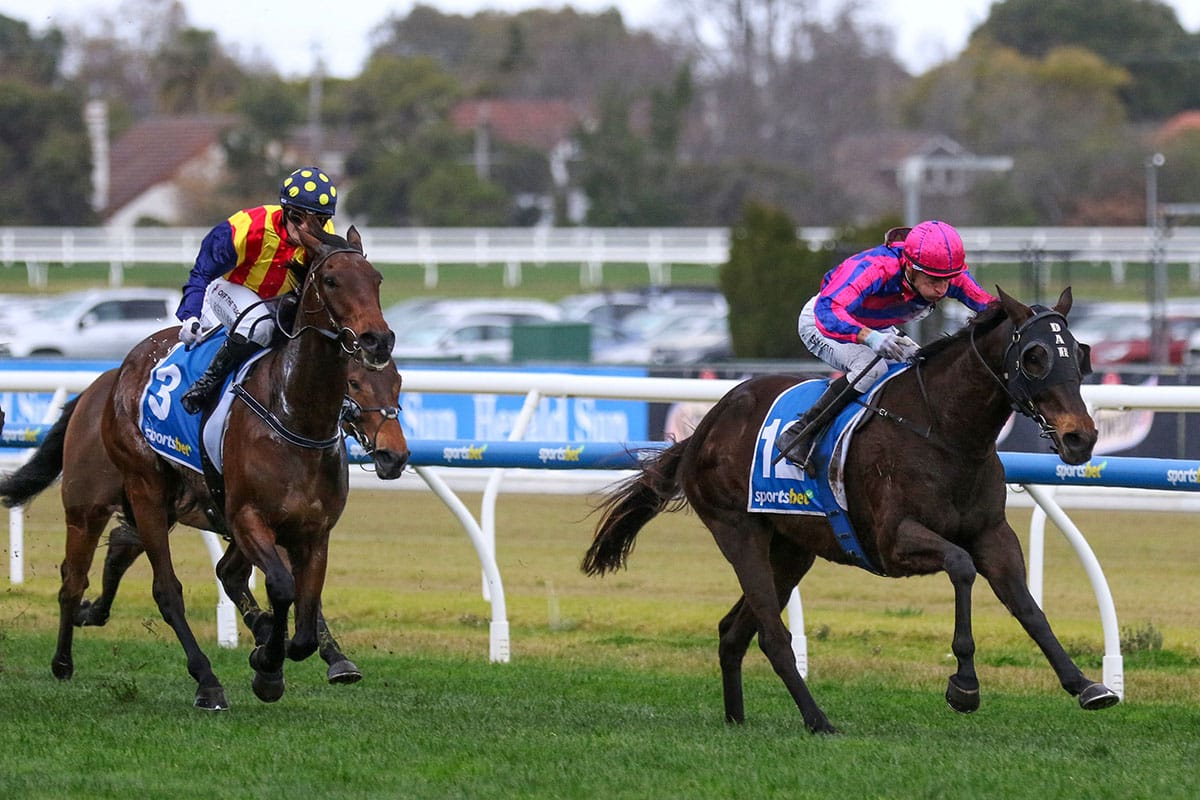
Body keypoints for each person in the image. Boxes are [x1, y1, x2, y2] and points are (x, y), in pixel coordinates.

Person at [775, 219, 997, 474]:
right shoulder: (875, 268)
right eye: (934, 280)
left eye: (948, 280)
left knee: (926, 365)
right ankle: (799, 433)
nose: (942, 288)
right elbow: (828, 311)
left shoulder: (944, 274)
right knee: (872, 369)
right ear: (910, 269)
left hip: (877, 328)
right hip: (822, 322)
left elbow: (990, 306)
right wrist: (867, 336)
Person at [175, 167, 338, 414]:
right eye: (297, 217)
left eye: (317, 221)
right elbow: (202, 271)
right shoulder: (248, 227)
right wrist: (190, 314)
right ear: (285, 211)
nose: (305, 228)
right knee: (259, 326)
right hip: (229, 288)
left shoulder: (325, 239)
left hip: (276, 300)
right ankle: (206, 383)